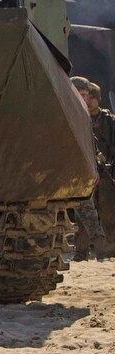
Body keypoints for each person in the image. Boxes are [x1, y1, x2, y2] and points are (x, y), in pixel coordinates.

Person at [71, 76, 115, 260]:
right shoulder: (72, 116)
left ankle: (107, 249)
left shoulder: (106, 121)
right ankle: (82, 251)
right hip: (80, 174)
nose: (87, 100)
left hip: (101, 172)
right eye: (82, 95)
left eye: (89, 96)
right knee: (84, 214)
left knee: (107, 211)